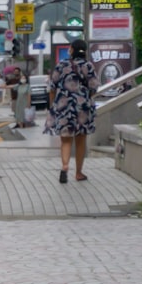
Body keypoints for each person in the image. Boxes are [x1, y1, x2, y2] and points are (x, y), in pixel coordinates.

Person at [45, 39, 100, 183]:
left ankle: (65, 166)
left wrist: (53, 105)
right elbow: (94, 87)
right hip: (83, 108)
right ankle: (79, 173)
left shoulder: (62, 65)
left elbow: (52, 87)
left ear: (71, 50)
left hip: (64, 107)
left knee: (66, 140)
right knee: (81, 140)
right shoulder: (88, 66)